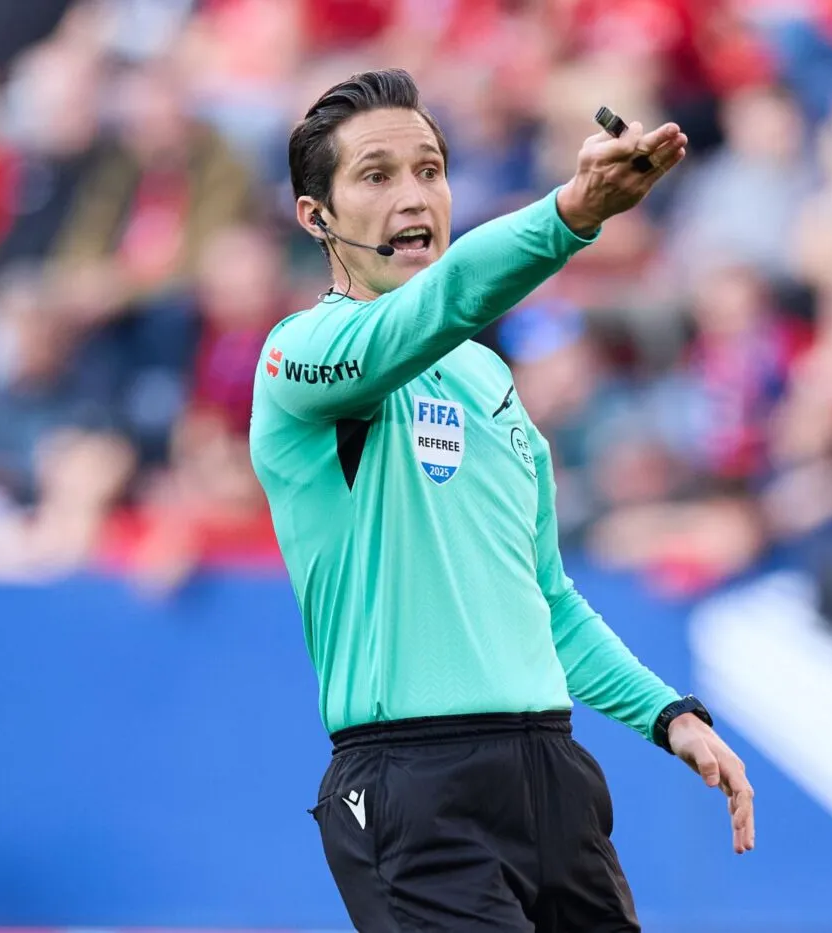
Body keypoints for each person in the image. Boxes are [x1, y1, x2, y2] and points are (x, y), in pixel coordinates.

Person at [249, 69, 755, 932]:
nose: (414, 196)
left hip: (551, 775)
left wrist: (668, 714)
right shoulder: (302, 359)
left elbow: (546, 600)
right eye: (376, 176)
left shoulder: (487, 378)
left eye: (430, 169)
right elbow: (439, 307)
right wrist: (571, 214)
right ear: (315, 217)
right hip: (412, 784)